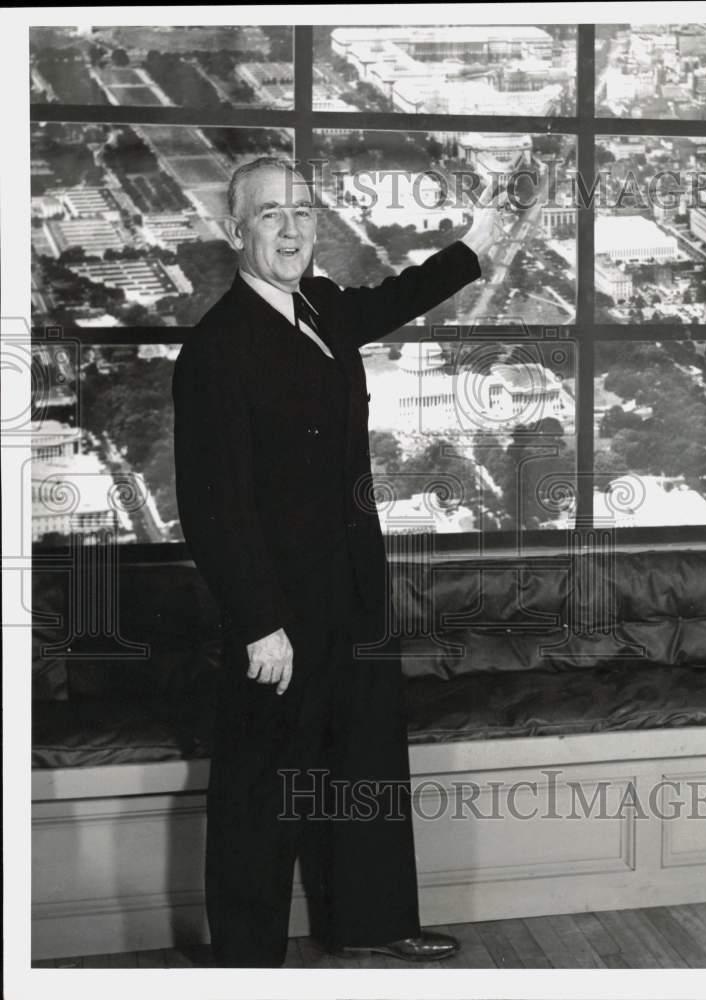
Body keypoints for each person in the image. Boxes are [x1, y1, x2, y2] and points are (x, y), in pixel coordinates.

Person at [171, 157, 500, 968]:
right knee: (261, 789)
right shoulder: (217, 351)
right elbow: (213, 510)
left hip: (351, 588)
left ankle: (373, 921)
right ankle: (246, 962)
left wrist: (474, 247)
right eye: (271, 215)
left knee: (365, 761)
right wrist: (259, 625)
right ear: (235, 231)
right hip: (277, 615)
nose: (291, 230)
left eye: (303, 213)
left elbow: (393, 299)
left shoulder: (318, 306)